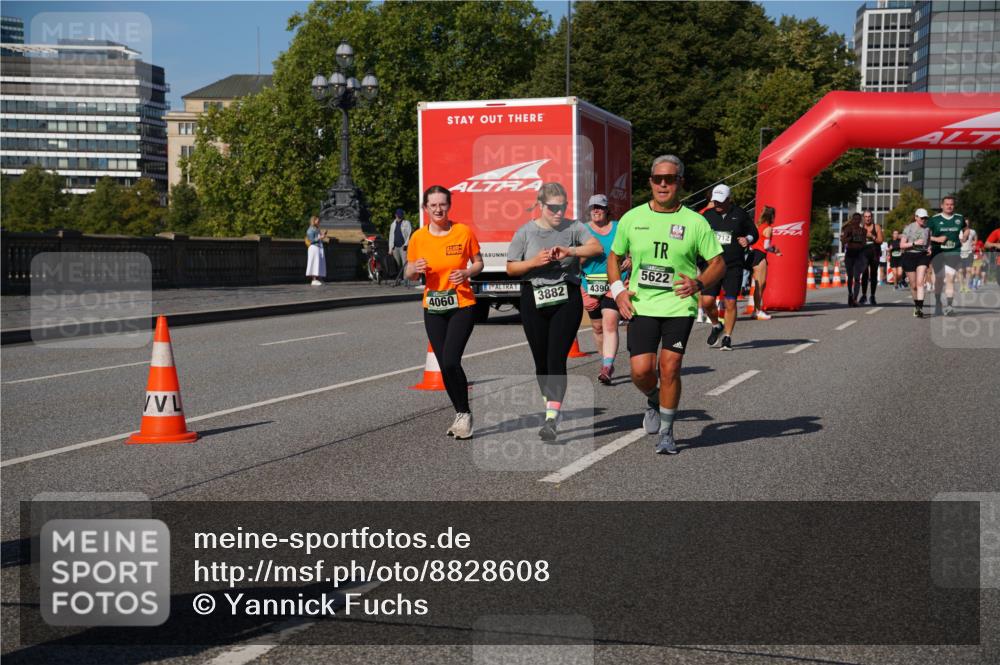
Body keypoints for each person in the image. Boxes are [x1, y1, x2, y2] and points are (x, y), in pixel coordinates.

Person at [607, 155, 724, 455]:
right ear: (650, 182)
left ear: (679, 182)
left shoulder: (695, 222)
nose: (662, 184)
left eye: (669, 179)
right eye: (657, 179)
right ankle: (654, 398)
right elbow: (614, 257)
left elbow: (718, 263)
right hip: (641, 305)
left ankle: (667, 432)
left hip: (678, 306)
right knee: (640, 371)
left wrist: (698, 283)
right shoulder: (632, 218)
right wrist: (618, 291)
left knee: (670, 367)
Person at [507, 182, 603, 441]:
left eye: (563, 207)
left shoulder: (574, 227)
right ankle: (551, 406)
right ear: (540, 205)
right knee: (541, 360)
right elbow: (511, 268)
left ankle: (551, 417)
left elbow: (596, 248)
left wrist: (570, 250)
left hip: (566, 297)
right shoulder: (526, 232)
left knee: (556, 358)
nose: (559, 212)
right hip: (533, 297)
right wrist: (533, 262)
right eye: (553, 208)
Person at [405, 186, 484, 439]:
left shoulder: (463, 232)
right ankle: (461, 414)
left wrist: (467, 272)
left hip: (462, 304)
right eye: (433, 205)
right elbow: (409, 272)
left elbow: (479, 262)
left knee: (451, 359)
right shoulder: (418, 237)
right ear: (425, 208)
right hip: (433, 307)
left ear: (449, 206)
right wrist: (414, 269)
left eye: (442, 204)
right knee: (444, 364)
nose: (438, 209)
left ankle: (464, 414)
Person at [699, 183, 756, 351]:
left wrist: (747, 239)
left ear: (729, 200)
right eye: (715, 200)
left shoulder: (740, 214)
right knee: (707, 301)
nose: (717, 204)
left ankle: (727, 337)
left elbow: (754, 232)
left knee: (730, 302)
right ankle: (716, 325)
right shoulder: (707, 215)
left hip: (733, 265)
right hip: (712, 265)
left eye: (720, 200)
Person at [580, 194, 629, 385]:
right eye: (593, 207)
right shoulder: (582, 230)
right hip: (589, 283)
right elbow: (574, 258)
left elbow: (634, 247)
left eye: (600, 207)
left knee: (610, 322)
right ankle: (605, 362)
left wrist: (630, 259)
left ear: (607, 209)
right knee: (597, 327)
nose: (596, 210)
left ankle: (607, 366)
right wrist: (585, 254)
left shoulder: (619, 227)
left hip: (615, 281)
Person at [928, 195, 965, 316]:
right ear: (942, 206)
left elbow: (966, 229)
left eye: (951, 204)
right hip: (938, 252)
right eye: (947, 204)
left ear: (954, 206)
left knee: (950, 278)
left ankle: (949, 306)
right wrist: (936, 239)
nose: (949, 206)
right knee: (939, 280)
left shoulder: (959, 218)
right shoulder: (934, 219)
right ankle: (938, 302)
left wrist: (965, 236)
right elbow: (925, 235)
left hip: (953, 251)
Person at [747, 205, 781, 319]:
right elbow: (766, 246)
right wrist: (775, 250)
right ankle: (758, 311)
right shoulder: (768, 228)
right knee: (760, 285)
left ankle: (755, 311)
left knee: (759, 284)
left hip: (753, 255)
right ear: (771, 216)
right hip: (760, 255)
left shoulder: (757, 226)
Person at [900, 208, 932, 318]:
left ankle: (920, 308)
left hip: (922, 256)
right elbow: (902, 245)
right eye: (922, 218)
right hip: (909, 256)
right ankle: (916, 305)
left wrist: (929, 248)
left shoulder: (927, 229)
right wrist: (914, 243)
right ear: (916, 217)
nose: (924, 220)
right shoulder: (908, 228)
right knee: (913, 286)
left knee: (920, 283)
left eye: (925, 218)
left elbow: (929, 242)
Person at [840, 212, 867, 307]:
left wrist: (860, 240)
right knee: (850, 276)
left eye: (858, 219)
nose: (856, 221)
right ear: (852, 219)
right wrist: (851, 237)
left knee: (857, 277)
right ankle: (850, 294)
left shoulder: (863, 230)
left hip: (859, 255)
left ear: (860, 220)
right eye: (855, 219)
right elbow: (843, 241)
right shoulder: (848, 229)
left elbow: (864, 243)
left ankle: (855, 299)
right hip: (850, 255)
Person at [858, 210, 884, 305]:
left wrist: (872, 236)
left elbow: (880, 240)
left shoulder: (876, 227)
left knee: (873, 274)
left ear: (871, 217)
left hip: (874, 253)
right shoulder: (860, 228)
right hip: (863, 253)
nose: (867, 218)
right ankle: (864, 295)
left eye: (869, 216)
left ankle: (872, 296)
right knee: (864, 273)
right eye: (866, 216)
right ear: (863, 218)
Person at [389, 208, 413, 286]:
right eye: (398, 216)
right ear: (395, 215)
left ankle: (405, 280)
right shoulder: (393, 224)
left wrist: (406, 244)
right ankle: (398, 280)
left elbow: (409, 234)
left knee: (405, 264)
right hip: (395, 247)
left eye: (400, 216)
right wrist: (390, 248)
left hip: (403, 247)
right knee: (397, 264)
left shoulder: (406, 223)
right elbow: (391, 237)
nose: (399, 217)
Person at [305, 215, 328, 286]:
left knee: (319, 263)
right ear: (313, 221)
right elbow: (311, 240)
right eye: (317, 220)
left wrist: (323, 235)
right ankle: (314, 279)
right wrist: (320, 237)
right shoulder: (310, 230)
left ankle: (319, 278)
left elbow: (318, 237)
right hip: (313, 248)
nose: (318, 222)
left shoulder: (317, 229)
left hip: (319, 247)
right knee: (314, 263)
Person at [959, 219, 977, 293]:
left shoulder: (973, 231)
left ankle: (966, 286)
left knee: (969, 270)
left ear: (969, 224)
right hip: (960, 253)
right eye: (964, 223)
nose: (966, 224)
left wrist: (974, 244)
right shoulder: (959, 231)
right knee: (960, 271)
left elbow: (975, 239)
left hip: (969, 252)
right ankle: (961, 286)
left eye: (967, 223)